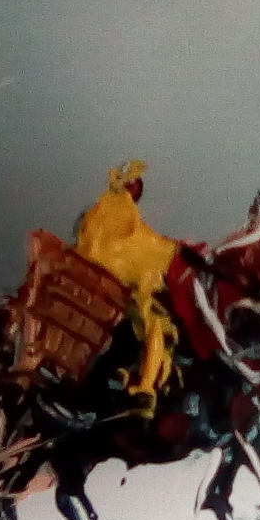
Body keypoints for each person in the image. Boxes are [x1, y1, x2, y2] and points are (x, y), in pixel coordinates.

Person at [72, 159, 179, 416]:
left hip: (124, 288)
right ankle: (142, 387)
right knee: (154, 324)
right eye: (130, 185)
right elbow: (134, 246)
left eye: (135, 186)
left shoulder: (127, 218)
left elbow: (146, 244)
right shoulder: (106, 214)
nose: (133, 190)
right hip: (110, 287)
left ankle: (142, 385)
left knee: (155, 324)